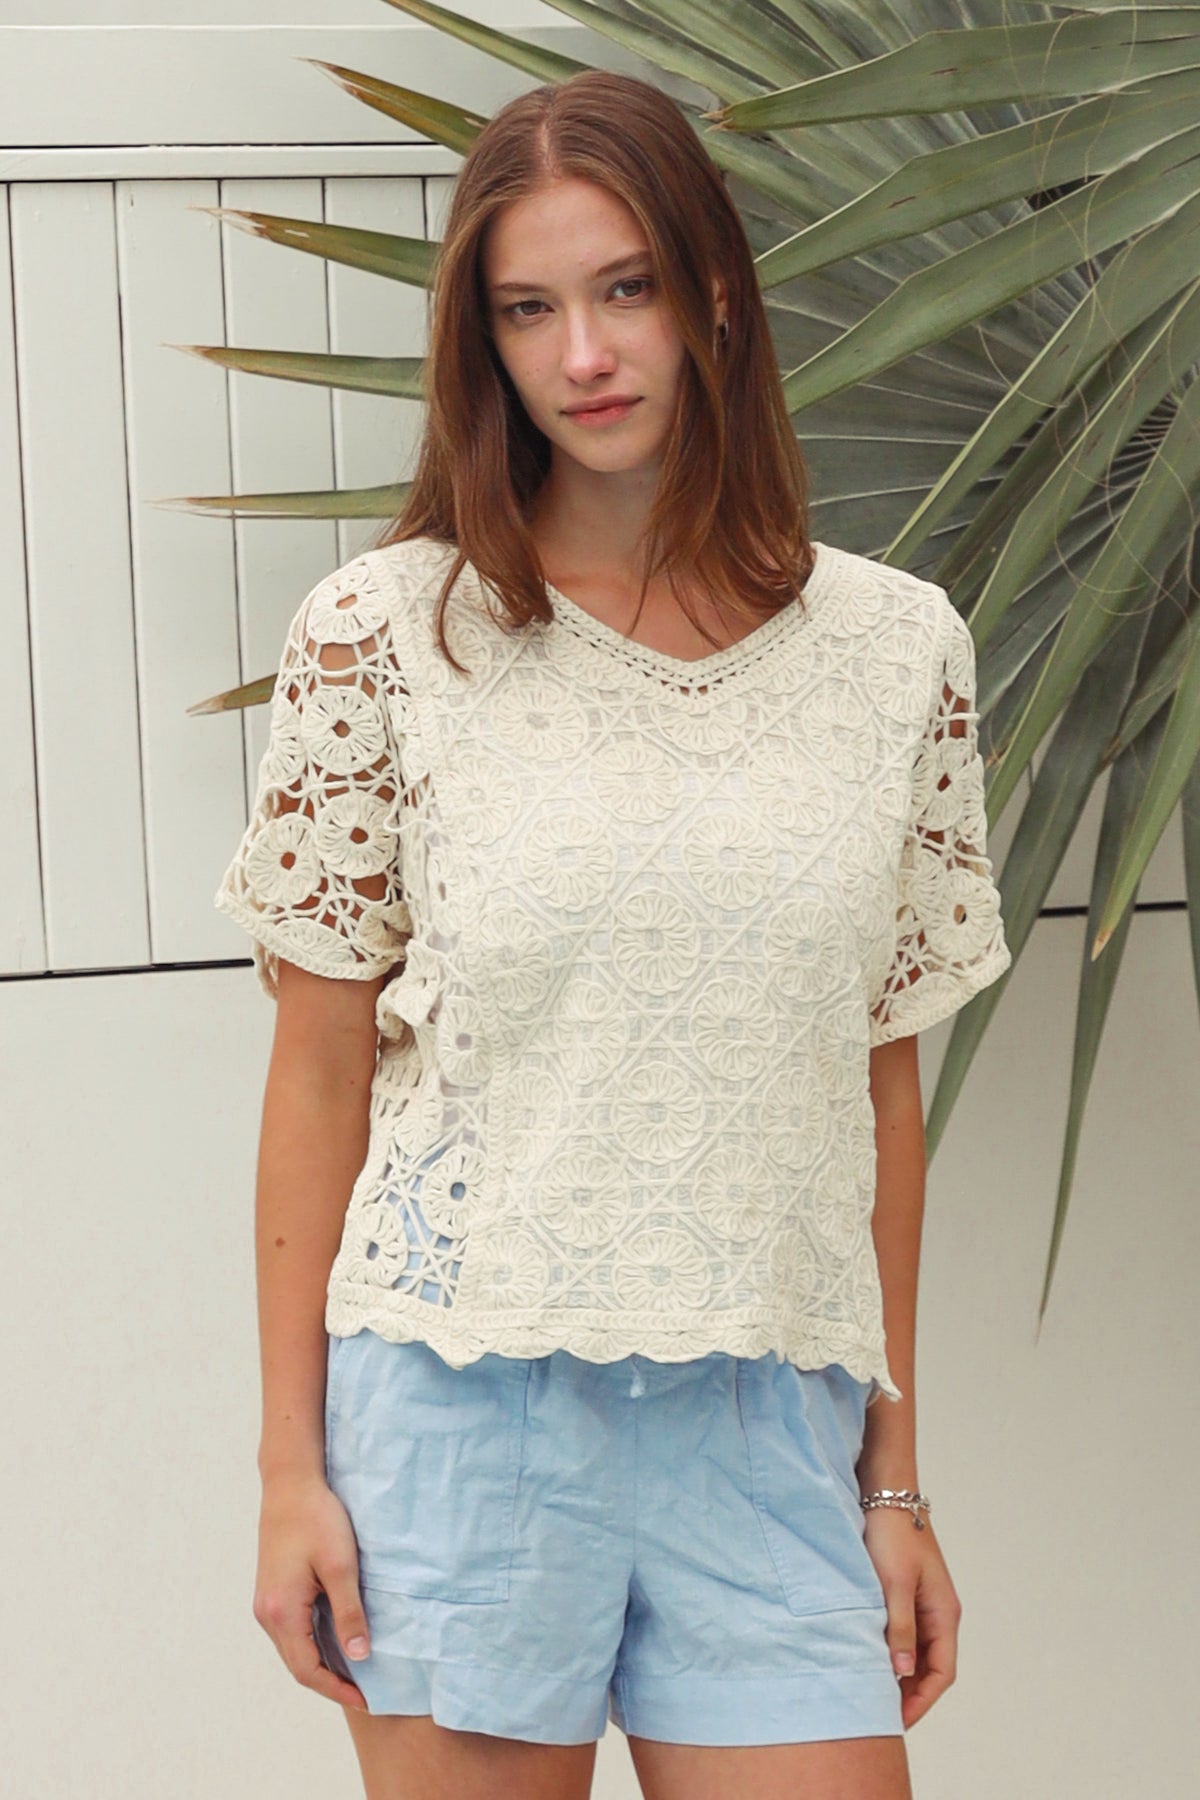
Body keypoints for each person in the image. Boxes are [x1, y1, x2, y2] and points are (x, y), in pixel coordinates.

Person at [213, 68, 1011, 1800]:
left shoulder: (898, 654)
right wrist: (289, 1472)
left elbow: (877, 1095)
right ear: (482, 343)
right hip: (460, 1420)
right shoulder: (383, 636)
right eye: (529, 309)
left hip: (770, 1430)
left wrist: (893, 1480)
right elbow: (318, 1078)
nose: (584, 353)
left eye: (625, 288)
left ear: (714, 293)